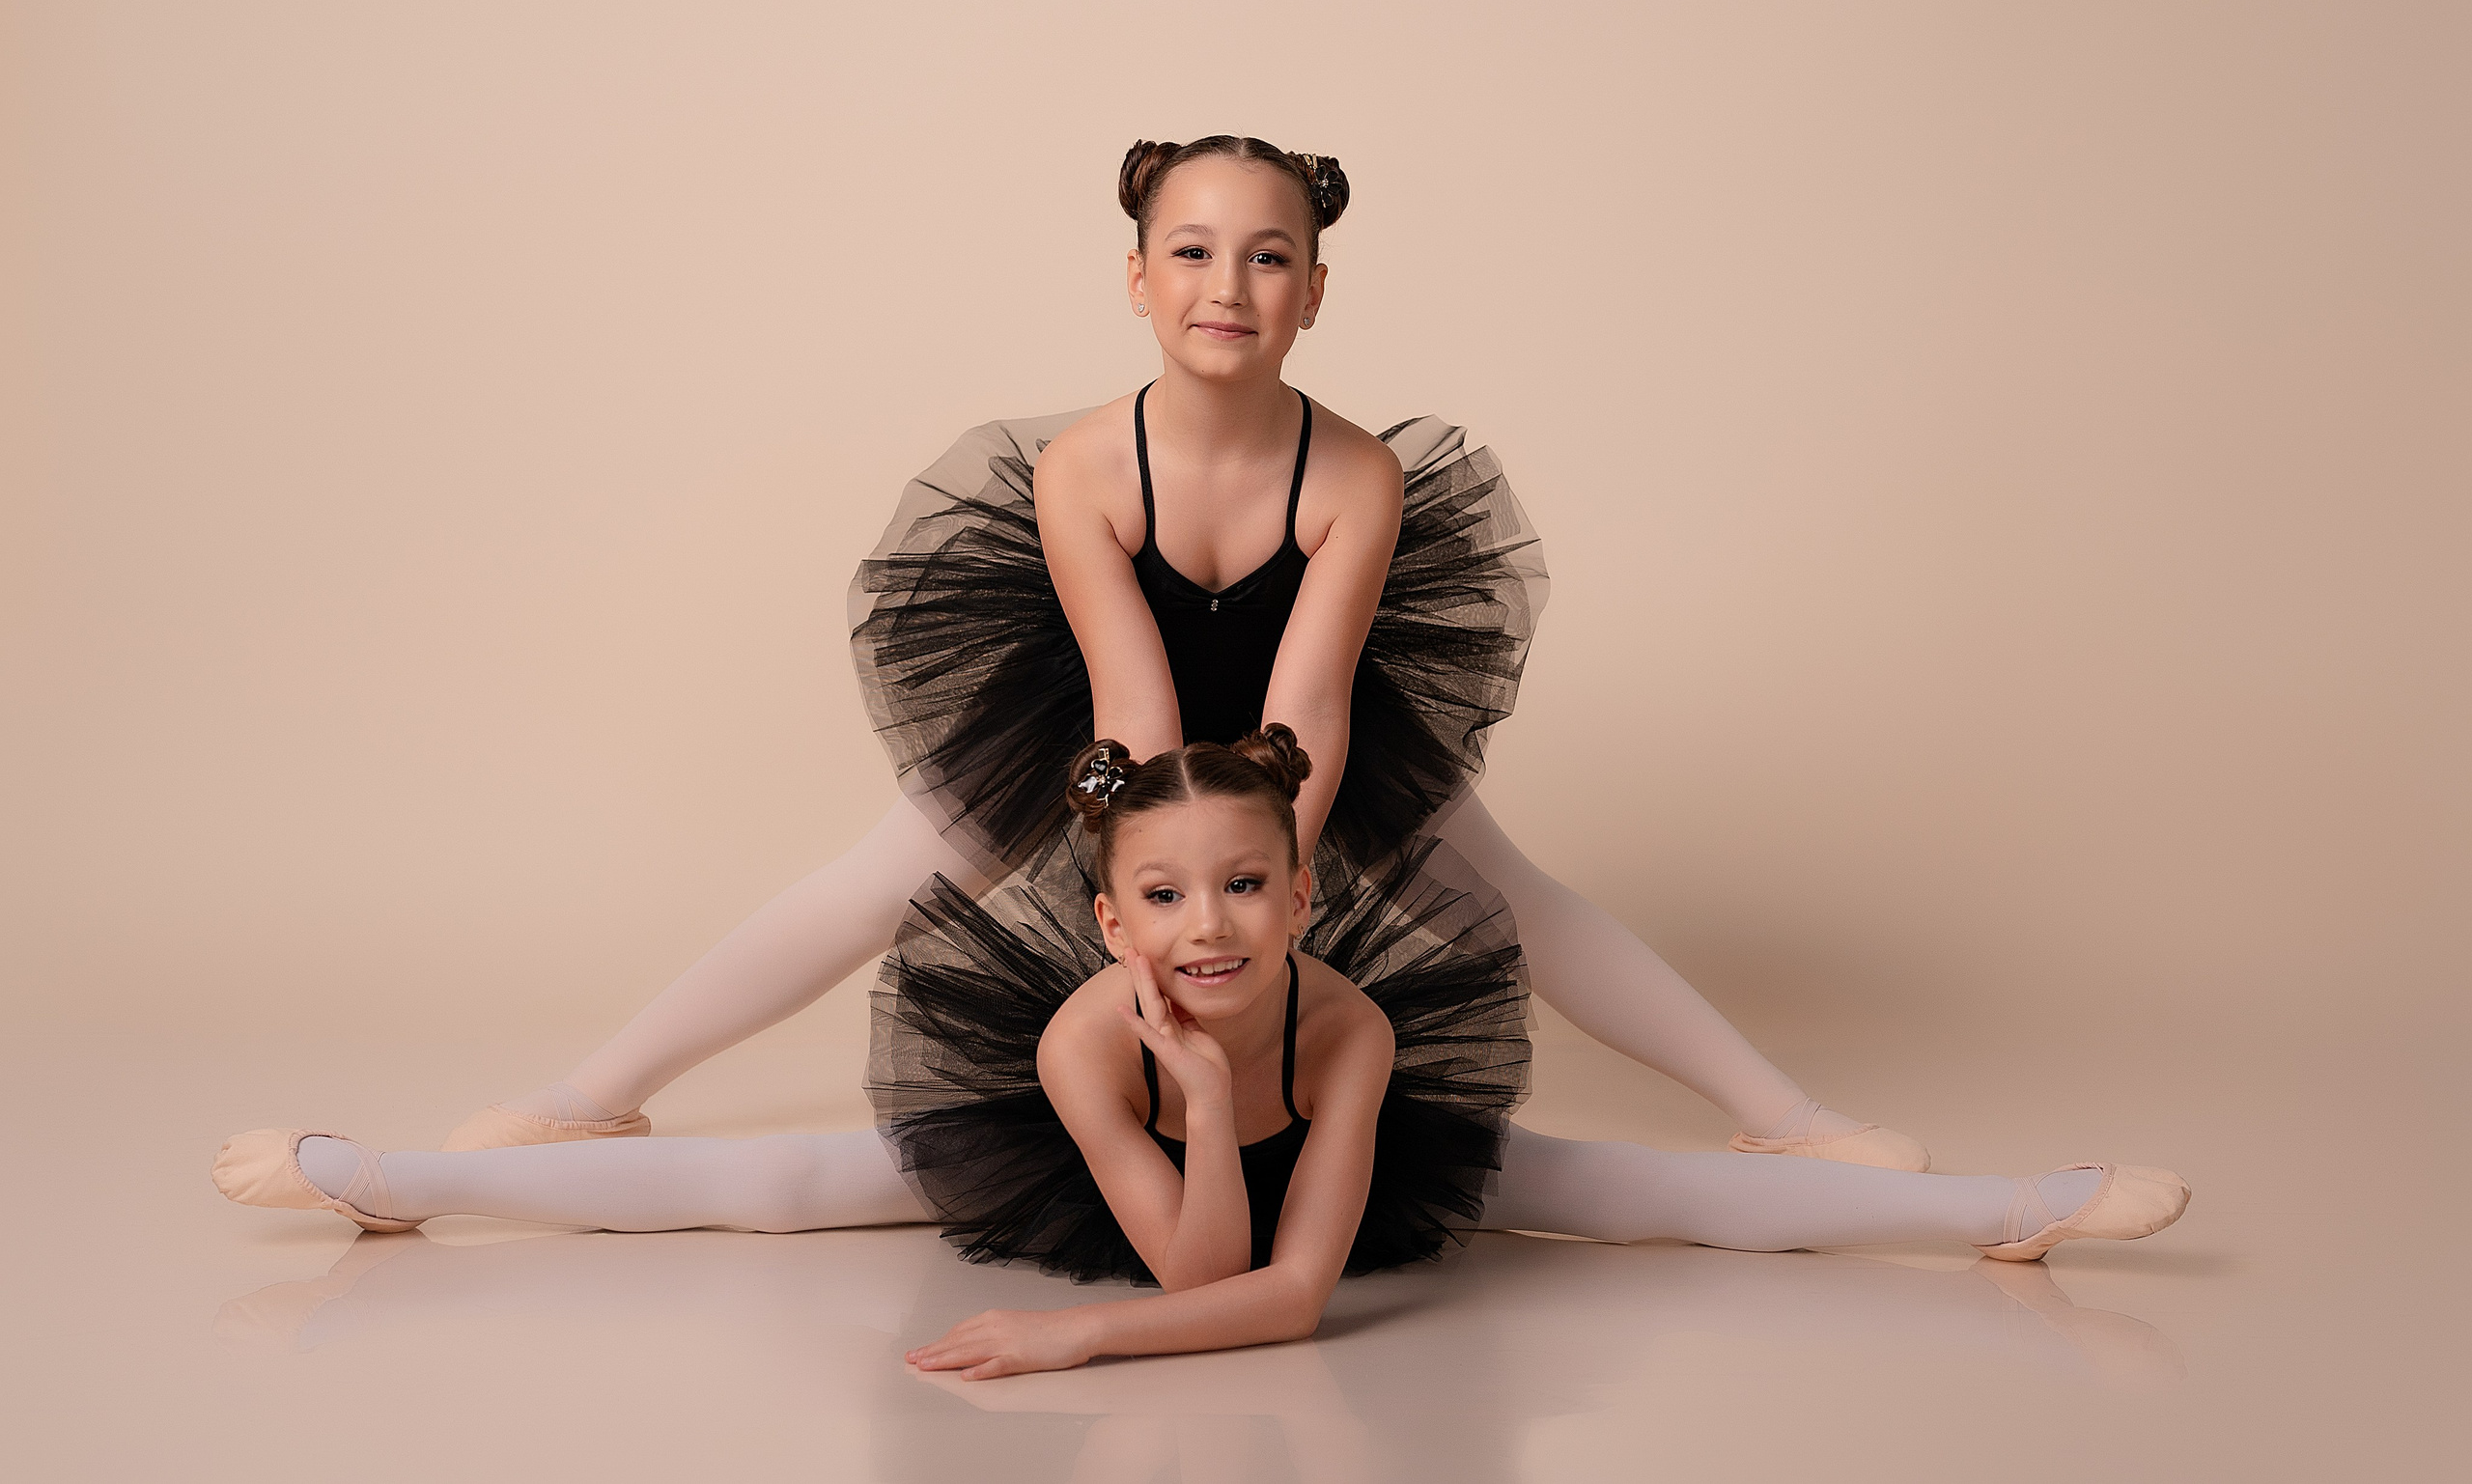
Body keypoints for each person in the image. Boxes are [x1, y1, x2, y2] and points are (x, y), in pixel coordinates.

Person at [435, 134, 1924, 1178]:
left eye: (1271, 258)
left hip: (1296, 748)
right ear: (1139, 277)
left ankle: (1786, 1116)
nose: (1231, 285)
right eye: (1194, 252)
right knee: (885, 877)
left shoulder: (1356, 475)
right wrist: (1156, 901)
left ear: (1315, 291)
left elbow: (1313, 703)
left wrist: (1268, 896)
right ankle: (593, 1095)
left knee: (1511, 899)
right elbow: (1132, 705)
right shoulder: (1085, 468)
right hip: (1104, 740)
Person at [212, 732, 2191, 1380]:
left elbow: (1281, 1292)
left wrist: (1077, 1338)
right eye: (1164, 898)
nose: (1211, 928)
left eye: (1248, 887)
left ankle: (2006, 1208)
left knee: (1631, 1194)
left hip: (1285, 1167)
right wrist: (1174, 1086)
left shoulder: (1354, 1019)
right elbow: (1186, 1262)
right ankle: (402, 1175)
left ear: (1306, 893)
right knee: (779, 1179)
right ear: (1110, 924)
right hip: (1118, 1162)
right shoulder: (1088, 1029)